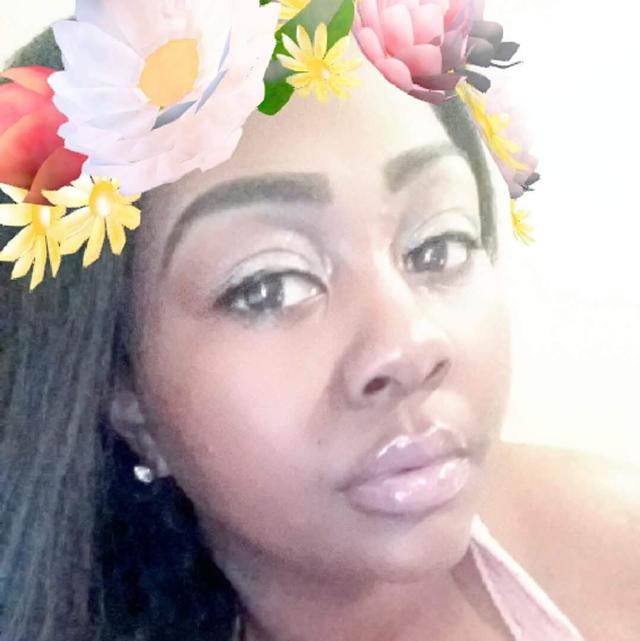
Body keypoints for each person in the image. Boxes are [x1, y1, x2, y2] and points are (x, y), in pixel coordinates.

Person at [0, 3, 638, 641]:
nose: (410, 344)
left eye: (437, 247)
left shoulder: (618, 552)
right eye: (269, 287)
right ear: (126, 398)